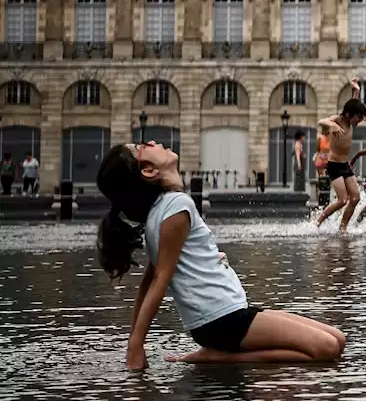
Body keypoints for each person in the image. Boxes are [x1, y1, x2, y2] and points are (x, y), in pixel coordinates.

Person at [96, 141, 345, 368]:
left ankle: (220, 351)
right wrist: (136, 344)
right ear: (148, 170)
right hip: (222, 320)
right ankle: (220, 356)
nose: (152, 142)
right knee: (327, 348)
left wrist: (134, 338)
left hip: (228, 313)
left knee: (338, 338)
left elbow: (149, 281)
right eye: (142, 146)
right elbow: (159, 279)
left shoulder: (162, 210)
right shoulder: (175, 208)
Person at [315, 80, 366, 232]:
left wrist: (356, 91)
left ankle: (342, 227)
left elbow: (354, 104)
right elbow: (321, 121)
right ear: (350, 115)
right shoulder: (338, 120)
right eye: (358, 118)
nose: (359, 121)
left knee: (355, 198)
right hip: (334, 166)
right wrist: (331, 125)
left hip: (345, 165)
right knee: (342, 200)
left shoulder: (350, 122)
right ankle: (317, 222)